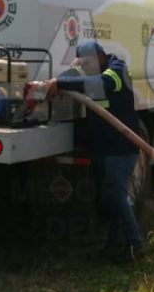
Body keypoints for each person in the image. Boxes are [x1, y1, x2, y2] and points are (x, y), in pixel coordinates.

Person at [31, 40, 145, 263]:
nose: (87, 67)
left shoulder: (117, 70)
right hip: (104, 146)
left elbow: (102, 84)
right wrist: (58, 83)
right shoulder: (90, 72)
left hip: (121, 147)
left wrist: (62, 82)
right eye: (83, 64)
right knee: (111, 198)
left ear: (101, 57)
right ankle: (114, 244)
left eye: (89, 63)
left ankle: (135, 244)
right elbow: (75, 78)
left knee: (116, 196)